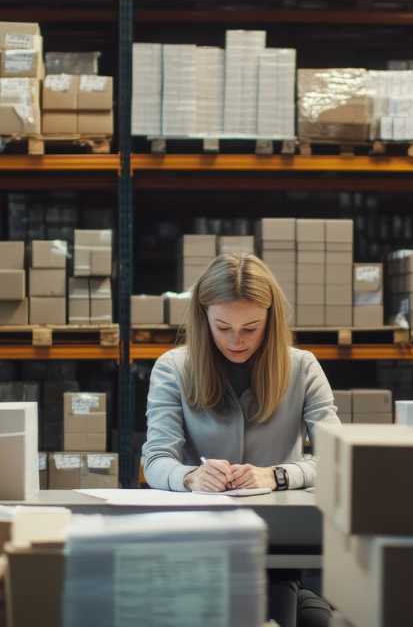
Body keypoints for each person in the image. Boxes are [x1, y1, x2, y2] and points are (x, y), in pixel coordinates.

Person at [141, 252, 338, 627]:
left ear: (271, 319)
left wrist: (276, 475)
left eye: (251, 327)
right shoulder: (173, 368)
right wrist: (189, 477)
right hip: (197, 547)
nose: (236, 340)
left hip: (278, 548)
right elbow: (155, 460)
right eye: (222, 326)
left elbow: (335, 458)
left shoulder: (303, 367)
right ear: (203, 319)